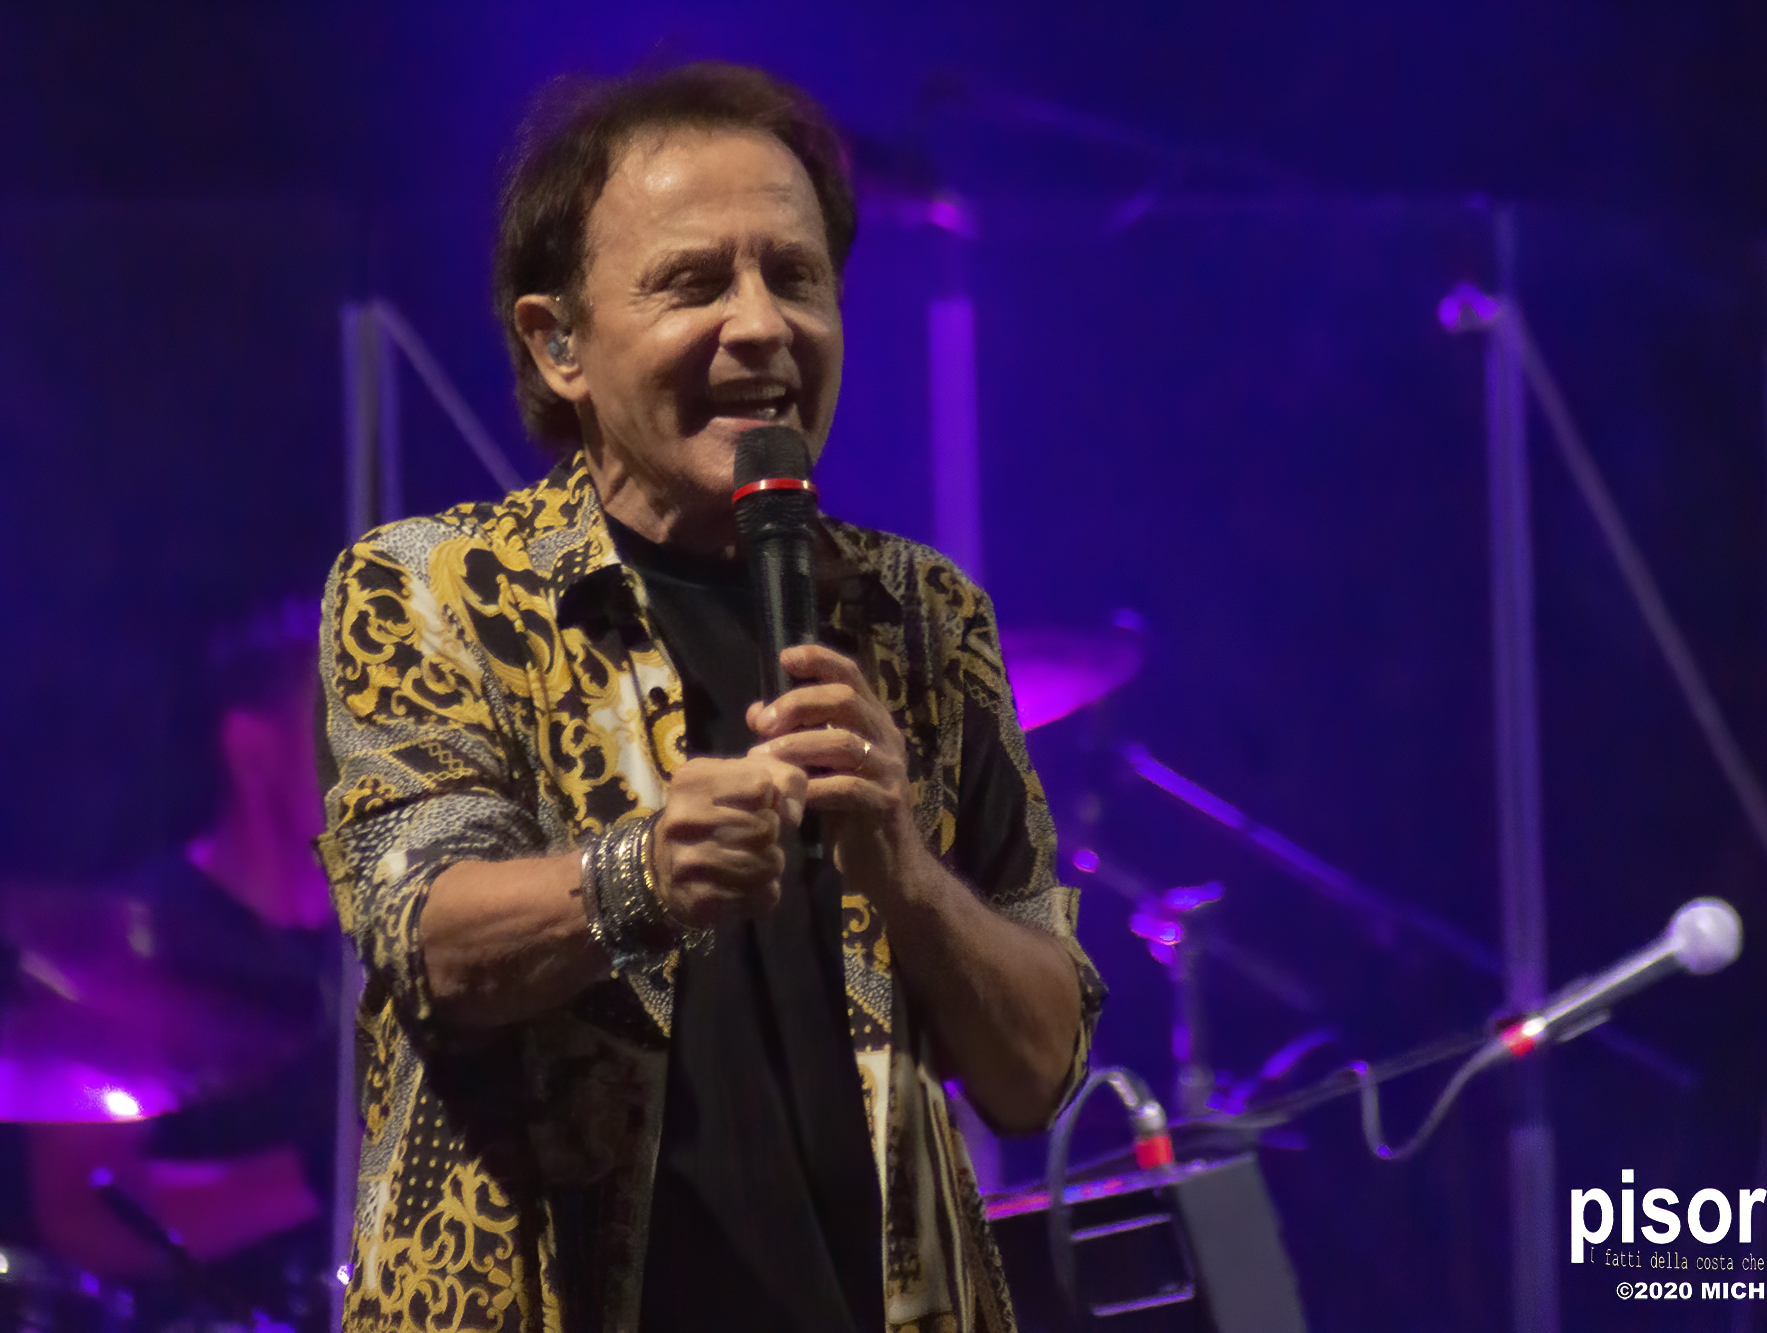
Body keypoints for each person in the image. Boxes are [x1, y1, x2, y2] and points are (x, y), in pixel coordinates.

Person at [315, 62, 1103, 1332]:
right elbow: (426, 933)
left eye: (794, 276)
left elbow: (1040, 1067)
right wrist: (640, 875)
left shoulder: (921, 616)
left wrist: (903, 868)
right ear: (558, 344)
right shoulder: (433, 589)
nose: (761, 325)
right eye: (693, 283)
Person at [21, 598, 340, 1327]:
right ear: (253, 750)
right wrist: (314, 1172)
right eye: (343, 727)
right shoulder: (125, 943)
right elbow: (80, 1212)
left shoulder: (375, 945)